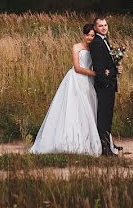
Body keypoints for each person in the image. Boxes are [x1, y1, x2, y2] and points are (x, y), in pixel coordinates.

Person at [30, 24, 103, 155]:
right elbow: (77, 68)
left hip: (88, 82)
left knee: (88, 109)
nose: (90, 38)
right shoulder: (76, 47)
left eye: (92, 36)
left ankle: (86, 140)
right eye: (88, 35)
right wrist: (96, 74)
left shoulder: (94, 48)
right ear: (84, 35)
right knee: (73, 108)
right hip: (76, 79)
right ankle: (68, 140)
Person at [89, 16, 123, 156]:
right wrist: (107, 80)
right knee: (103, 117)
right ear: (95, 28)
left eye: (105, 25)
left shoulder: (105, 40)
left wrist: (116, 67)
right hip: (104, 85)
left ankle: (108, 143)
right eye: (101, 26)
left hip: (110, 83)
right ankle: (104, 148)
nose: (104, 28)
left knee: (108, 116)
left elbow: (108, 65)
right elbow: (99, 67)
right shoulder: (97, 43)